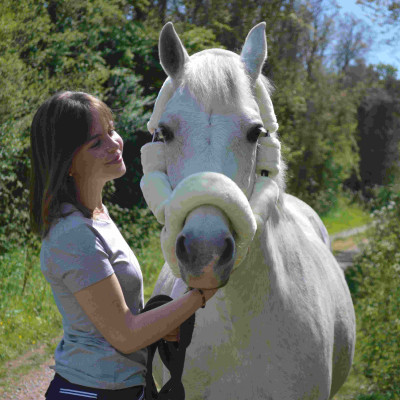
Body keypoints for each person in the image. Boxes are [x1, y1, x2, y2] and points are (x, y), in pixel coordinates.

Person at [29, 91, 218, 399]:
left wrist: (161, 325)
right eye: (96, 143)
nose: (115, 144)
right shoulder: (74, 235)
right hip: (92, 391)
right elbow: (126, 334)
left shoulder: (97, 214)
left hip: (116, 387)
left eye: (111, 130)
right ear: (68, 162)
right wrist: (200, 295)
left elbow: (121, 319)